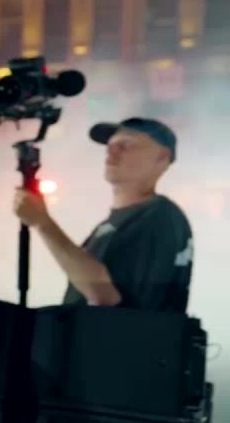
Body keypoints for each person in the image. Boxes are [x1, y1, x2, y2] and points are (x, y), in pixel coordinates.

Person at [13, 117, 193, 312]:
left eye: (125, 145)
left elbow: (105, 295)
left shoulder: (159, 217)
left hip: (121, 333)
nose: (111, 152)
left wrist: (43, 223)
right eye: (110, 146)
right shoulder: (119, 222)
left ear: (161, 157)